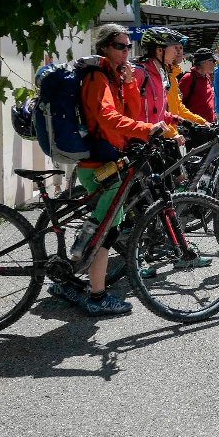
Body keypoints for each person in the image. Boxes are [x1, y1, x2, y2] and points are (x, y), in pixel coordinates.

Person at [49, 24, 167, 316]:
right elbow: (107, 117)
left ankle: (69, 278)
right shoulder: (97, 77)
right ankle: (96, 295)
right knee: (104, 230)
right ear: (104, 47)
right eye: (120, 46)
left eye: (129, 47)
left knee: (109, 225)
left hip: (110, 159)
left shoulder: (114, 78)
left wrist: (128, 84)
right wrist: (147, 129)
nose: (126, 51)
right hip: (99, 163)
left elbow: (131, 113)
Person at [133, 27, 190, 146]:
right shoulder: (139, 74)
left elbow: (158, 112)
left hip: (153, 142)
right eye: (174, 47)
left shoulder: (160, 74)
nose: (177, 52)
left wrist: (179, 121)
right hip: (137, 143)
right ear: (159, 50)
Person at [163, 32, 209, 126]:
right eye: (175, 48)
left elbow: (179, 107)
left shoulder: (173, 76)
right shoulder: (164, 76)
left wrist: (202, 121)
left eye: (181, 48)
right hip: (163, 132)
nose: (178, 51)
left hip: (172, 131)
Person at [179, 49, 217, 123]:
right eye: (213, 61)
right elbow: (178, 103)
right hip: (195, 126)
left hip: (209, 124)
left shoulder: (207, 77)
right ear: (203, 62)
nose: (215, 64)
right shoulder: (188, 78)